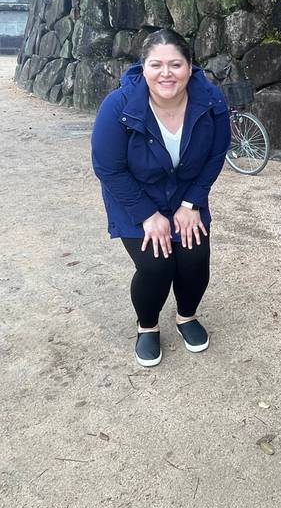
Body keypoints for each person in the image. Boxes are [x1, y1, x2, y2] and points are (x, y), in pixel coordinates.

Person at [91, 29, 231, 367]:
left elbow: (216, 153)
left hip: (186, 195)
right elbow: (108, 168)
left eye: (175, 64)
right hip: (135, 197)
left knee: (194, 258)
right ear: (143, 68)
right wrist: (146, 214)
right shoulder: (119, 106)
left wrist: (191, 204)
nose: (166, 73)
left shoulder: (211, 100)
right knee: (155, 266)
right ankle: (147, 325)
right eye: (156, 65)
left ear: (189, 66)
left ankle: (186, 316)